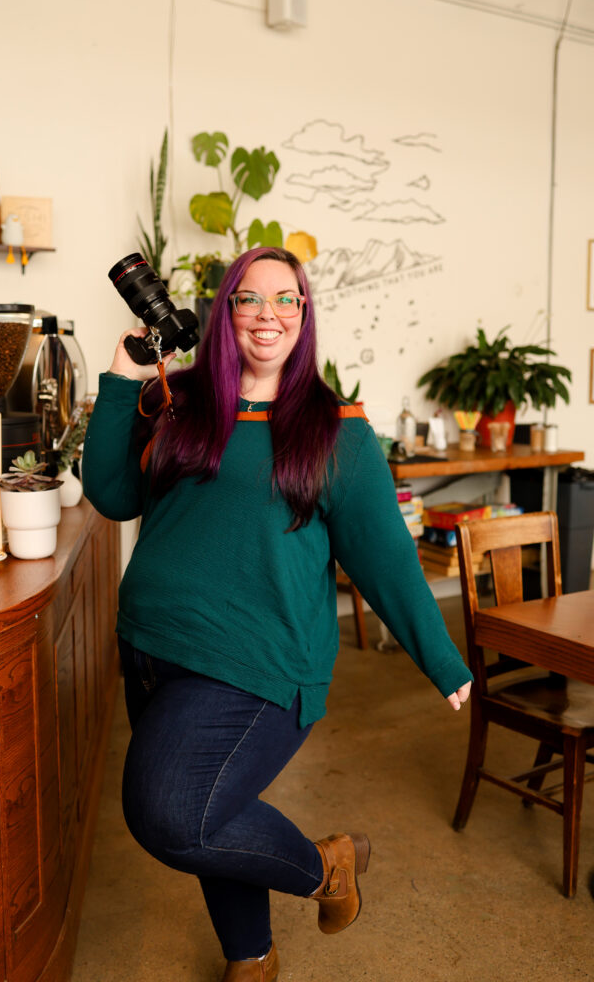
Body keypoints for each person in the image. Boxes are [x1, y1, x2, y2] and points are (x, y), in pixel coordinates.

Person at [82, 246, 472, 982]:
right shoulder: (180, 400)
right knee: (213, 815)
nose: (268, 315)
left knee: (170, 811)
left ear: (304, 315)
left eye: (286, 300)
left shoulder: (335, 431)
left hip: (259, 664)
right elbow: (112, 495)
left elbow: (384, 557)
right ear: (224, 313)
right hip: (150, 647)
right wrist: (120, 379)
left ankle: (322, 868)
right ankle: (251, 957)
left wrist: (442, 658)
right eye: (249, 299)